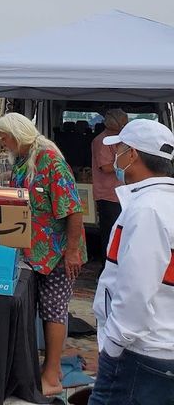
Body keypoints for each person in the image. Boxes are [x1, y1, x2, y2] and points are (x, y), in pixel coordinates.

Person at [0, 112, 87, 397]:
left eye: (4, 136)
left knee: (53, 310)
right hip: (35, 251)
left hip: (58, 252)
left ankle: (51, 374)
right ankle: (50, 366)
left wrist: (71, 252)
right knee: (42, 308)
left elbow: (73, 209)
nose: (1, 141)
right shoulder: (25, 158)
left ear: (17, 134)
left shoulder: (51, 160)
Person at [90, 119, 174, 405]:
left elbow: (135, 292)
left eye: (120, 150)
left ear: (133, 154)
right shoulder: (162, 203)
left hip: (140, 352)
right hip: (158, 347)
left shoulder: (147, 210)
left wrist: (112, 347)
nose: (115, 158)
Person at [91, 109, 129, 262]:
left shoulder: (120, 139)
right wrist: (127, 163)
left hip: (120, 193)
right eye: (124, 122)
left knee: (120, 232)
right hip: (107, 194)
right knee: (110, 233)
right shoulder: (102, 141)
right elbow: (105, 167)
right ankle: (107, 265)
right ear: (116, 124)